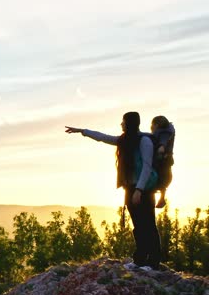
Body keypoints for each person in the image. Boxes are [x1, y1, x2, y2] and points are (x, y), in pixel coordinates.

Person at [65, 111, 161, 270]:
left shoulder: (144, 141)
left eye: (123, 121)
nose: (121, 124)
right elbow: (103, 137)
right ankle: (140, 260)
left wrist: (139, 189)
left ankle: (153, 262)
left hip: (144, 189)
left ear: (129, 123)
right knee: (138, 226)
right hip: (130, 188)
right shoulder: (125, 141)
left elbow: (147, 167)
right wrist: (83, 131)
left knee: (148, 225)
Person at [150, 115, 176, 208]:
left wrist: (160, 148)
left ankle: (161, 198)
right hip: (166, 165)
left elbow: (162, 143)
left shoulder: (164, 133)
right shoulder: (168, 131)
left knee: (160, 181)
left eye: (152, 124)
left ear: (156, 125)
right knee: (162, 183)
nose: (151, 127)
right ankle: (161, 198)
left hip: (162, 163)